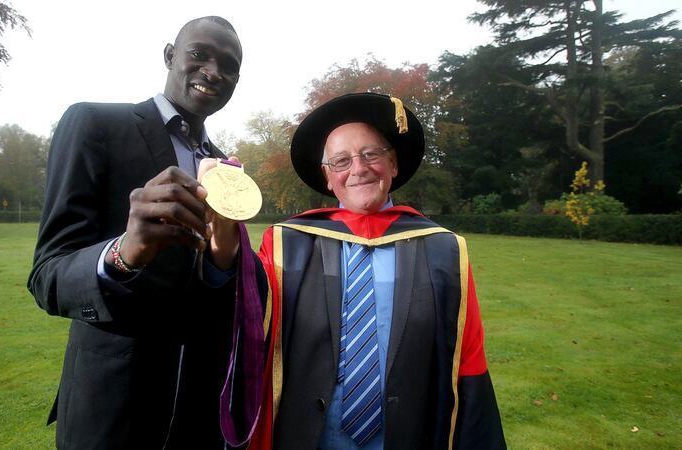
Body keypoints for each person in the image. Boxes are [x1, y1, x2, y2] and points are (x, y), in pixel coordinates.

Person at [27, 16, 266, 449]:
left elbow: (213, 298)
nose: (213, 71)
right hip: (111, 410)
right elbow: (48, 275)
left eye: (229, 65)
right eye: (199, 54)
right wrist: (124, 251)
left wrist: (222, 262)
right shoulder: (95, 125)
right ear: (170, 55)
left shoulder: (224, 169)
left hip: (198, 412)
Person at [247, 93, 506, 449]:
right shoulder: (286, 246)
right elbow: (243, 322)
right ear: (327, 177)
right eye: (341, 161)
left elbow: (468, 358)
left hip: (408, 435)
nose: (358, 168)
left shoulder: (443, 250)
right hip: (306, 435)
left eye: (371, 154)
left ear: (394, 163)